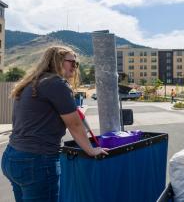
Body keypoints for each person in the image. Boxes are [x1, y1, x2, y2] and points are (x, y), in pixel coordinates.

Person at [1, 46, 108, 202]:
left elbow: (38, 117)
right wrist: (91, 150)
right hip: (37, 160)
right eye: (71, 62)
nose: (75, 66)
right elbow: (75, 125)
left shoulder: (32, 83)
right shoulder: (56, 83)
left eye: (76, 63)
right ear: (57, 62)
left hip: (12, 156)